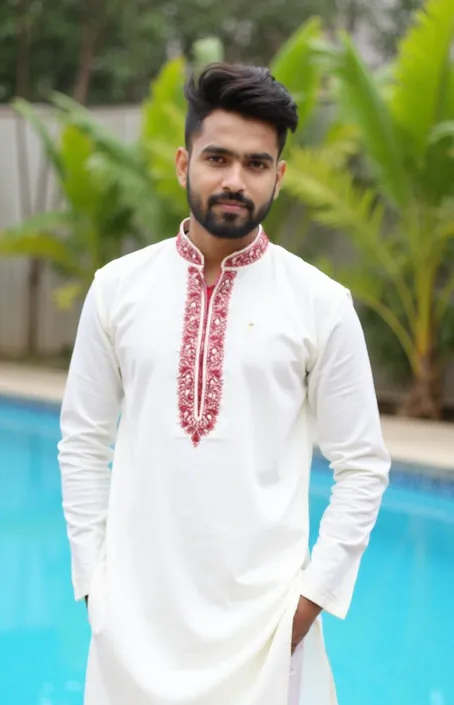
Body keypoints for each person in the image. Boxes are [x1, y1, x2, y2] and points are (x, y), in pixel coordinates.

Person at [58, 63, 390, 705]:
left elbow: (362, 466)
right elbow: (82, 444)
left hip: (267, 637)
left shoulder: (320, 302)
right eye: (218, 158)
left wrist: (306, 607)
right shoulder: (117, 289)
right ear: (184, 164)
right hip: (133, 633)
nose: (235, 179)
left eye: (256, 163)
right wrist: (96, 589)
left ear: (279, 176)